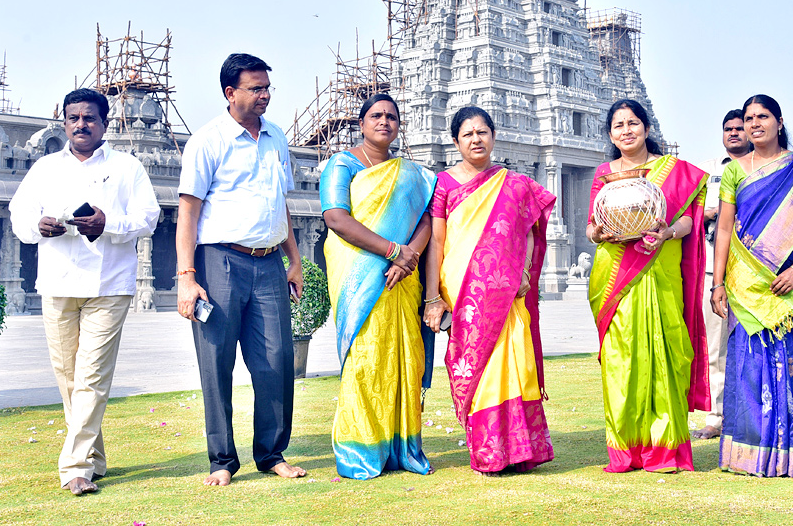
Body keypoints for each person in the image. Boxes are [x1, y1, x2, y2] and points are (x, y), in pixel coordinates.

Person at [9, 88, 160, 496]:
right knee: (68, 377)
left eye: (89, 118)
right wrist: (38, 226)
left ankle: (75, 468)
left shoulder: (127, 167)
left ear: (104, 124)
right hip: (57, 281)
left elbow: (149, 217)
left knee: (91, 375)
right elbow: (19, 215)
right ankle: (94, 457)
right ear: (64, 123)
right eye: (73, 118)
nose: (81, 125)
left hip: (108, 283)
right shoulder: (44, 168)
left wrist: (107, 223)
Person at [176, 53, 307, 486]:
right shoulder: (208, 140)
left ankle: (271, 453)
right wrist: (187, 277)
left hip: (269, 262)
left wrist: (295, 260)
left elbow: (280, 205)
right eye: (255, 88)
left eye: (267, 87)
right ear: (230, 93)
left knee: (277, 359)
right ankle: (221, 460)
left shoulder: (276, 138)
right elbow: (189, 212)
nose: (265, 95)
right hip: (220, 262)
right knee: (216, 361)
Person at [423, 106, 557, 473]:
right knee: (473, 366)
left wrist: (526, 271)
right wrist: (433, 296)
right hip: (463, 290)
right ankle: (490, 452)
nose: (476, 139)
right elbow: (436, 241)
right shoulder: (444, 184)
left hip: (509, 288)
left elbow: (528, 231)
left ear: (493, 137)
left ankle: (521, 449)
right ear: (455, 142)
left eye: (482, 132)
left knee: (512, 360)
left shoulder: (513, 183)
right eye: (467, 134)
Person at [711, 94, 793, 479]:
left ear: (779, 122)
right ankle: (750, 455)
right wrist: (717, 284)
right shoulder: (733, 171)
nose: (754, 124)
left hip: (790, 285)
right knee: (747, 368)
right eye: (748, 119)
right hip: (745, 286)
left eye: (762, 117)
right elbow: (725, 229)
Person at [586, 98, 710, 472]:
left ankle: (665, 450)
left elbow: (688, 220)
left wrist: (667, 232)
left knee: (665, 351)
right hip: (615, 275)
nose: (627, 130)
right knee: (622, 360)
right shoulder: (603, 175)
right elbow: (592, 227)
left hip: (660, 268)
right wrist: (600, 234)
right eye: (619, 125)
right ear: (610, 133)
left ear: (647, 127)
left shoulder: (674, 172)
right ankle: (626, 450)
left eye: (633, 123)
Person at [320, 93, 436, 479]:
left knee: (405, 357)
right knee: (367, 359)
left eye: (391, 116)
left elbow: (425, 221)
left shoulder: (412, 174)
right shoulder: (342, 164)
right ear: (362, 123)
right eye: (376, 115)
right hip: (360, 273)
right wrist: (391, 250)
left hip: (403, 277)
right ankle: (361, 449)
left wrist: (409, 258)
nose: (384, 121)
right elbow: (336, 217)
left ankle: (402, 448)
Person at [692, 108, 750, 441]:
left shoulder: (765, 168)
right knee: (716, 347)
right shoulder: (708, 172)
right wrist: (713, 212)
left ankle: (755, 411)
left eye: (740, 128)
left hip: (755, 271)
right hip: (715, 270)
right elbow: (687, 212)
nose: (734, 133)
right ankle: (717, 415)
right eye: (728, 129)